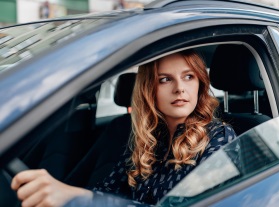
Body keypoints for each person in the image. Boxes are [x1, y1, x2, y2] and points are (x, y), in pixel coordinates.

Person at [11, 49, 237, 206]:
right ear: (149, 90)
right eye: (165, 80)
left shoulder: (217, 136)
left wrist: (76, 197)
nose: (180, 89)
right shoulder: (147, 139)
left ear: (200, 84)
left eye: (188, 77)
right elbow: (107, 192)